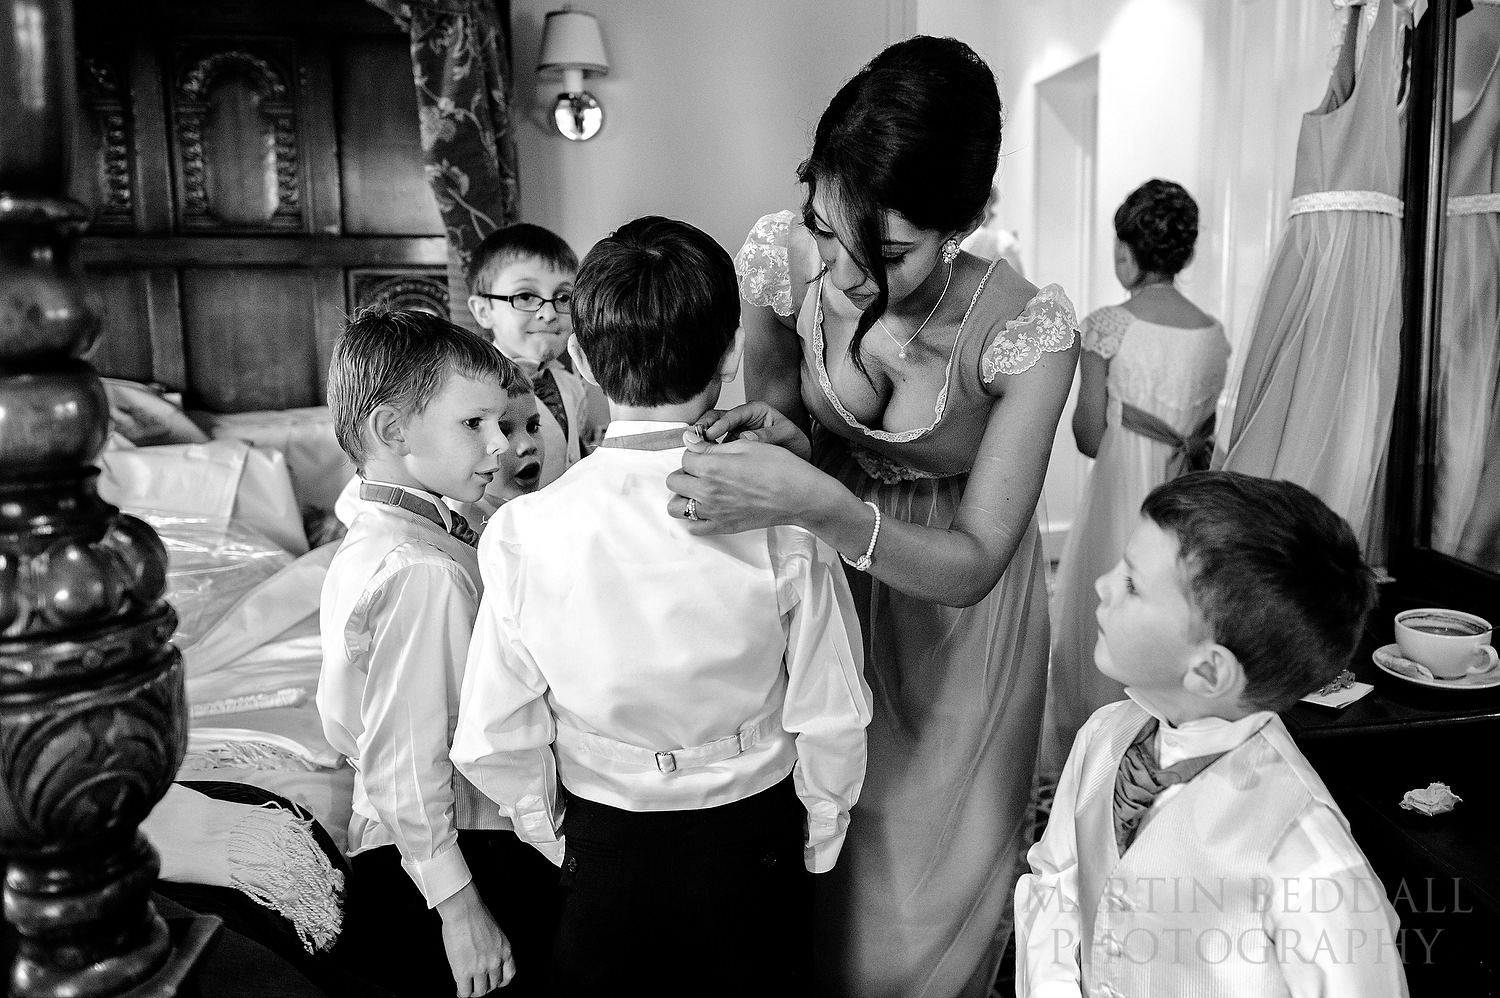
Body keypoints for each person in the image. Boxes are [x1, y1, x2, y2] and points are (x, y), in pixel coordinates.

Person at [664, 35, 1079, 998]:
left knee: (927, 901)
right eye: (826, 223)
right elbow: (795, 440)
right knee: (824, 853)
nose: (844, 273)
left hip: (962, 624)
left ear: (967, 222)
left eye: (887, 252)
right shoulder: (777, 262)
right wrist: (788, 446)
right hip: (829, 597)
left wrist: (830, 503)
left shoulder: (1027, 333)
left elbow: (977, 557)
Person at [451, 216, 872, 998]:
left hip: (603, 839)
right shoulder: (781, 511)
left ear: (579, 356)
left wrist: (555, 836)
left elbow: (493, 735)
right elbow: (833, 704)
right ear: (730, 356)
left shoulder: (520, 532)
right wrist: (820, 831)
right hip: (755, 832)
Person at [1015, 470, 1407, 997]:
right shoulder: (1105, 734)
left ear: (1207, 671)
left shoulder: (1307, 855)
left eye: (1132, 583)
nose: (1101, 585)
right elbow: (1056, 883)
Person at [317, 307, 557, 998]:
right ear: (391, 432)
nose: (500, 448)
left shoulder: (384, 522)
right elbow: (404, 761)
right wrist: (461, 911)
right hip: (449, 856)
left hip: (428, 840)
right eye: (473, 425)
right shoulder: (421, 571)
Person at [1040, 178, 1231, 784]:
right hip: (1188, 493)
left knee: (1107, 605)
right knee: (1173, 609)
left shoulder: (1105, 326)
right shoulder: (1212, 333)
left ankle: (1095, 752)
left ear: (1127, 251)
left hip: (1122, 494)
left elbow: (1089, 435)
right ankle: (1163, 749)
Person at [467, 222, 599, 499]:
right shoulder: (471, 393)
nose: (549, 313)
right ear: (484, 310)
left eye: (563, 297)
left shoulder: (571, 384)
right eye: (525, 296)